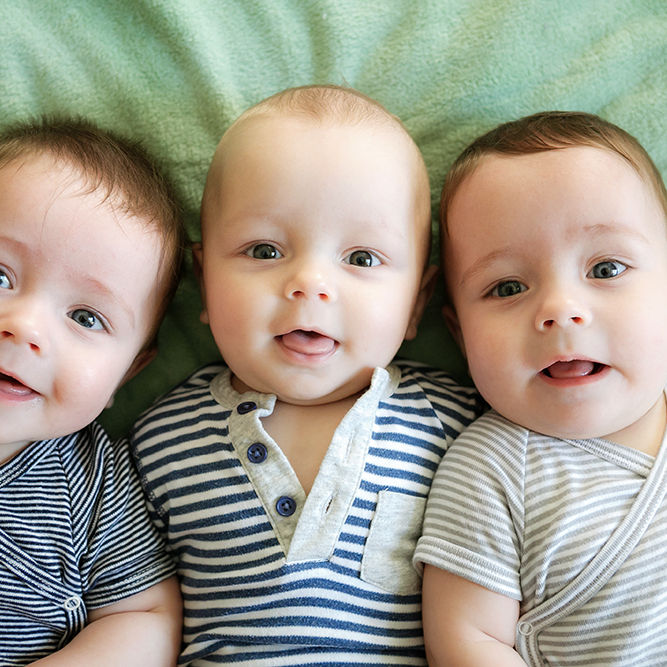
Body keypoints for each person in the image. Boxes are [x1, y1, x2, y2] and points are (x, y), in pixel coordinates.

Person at [131, 84, 480, 666]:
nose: (310, 282)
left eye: (362, 258)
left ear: (416, 302)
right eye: (264, 250)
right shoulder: (156, 439)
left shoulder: (458, 420)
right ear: (203, 281)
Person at [414, 111, 667, 666]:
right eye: (508, 286)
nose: (560, 310)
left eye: (605, 269)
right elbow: (468, 642)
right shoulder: (492, 468)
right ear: (459, 335)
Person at [0, 117, 185, 665]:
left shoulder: (91, 483)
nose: (25, 327)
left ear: (123, 378)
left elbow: (146, 618)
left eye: (86, 316)